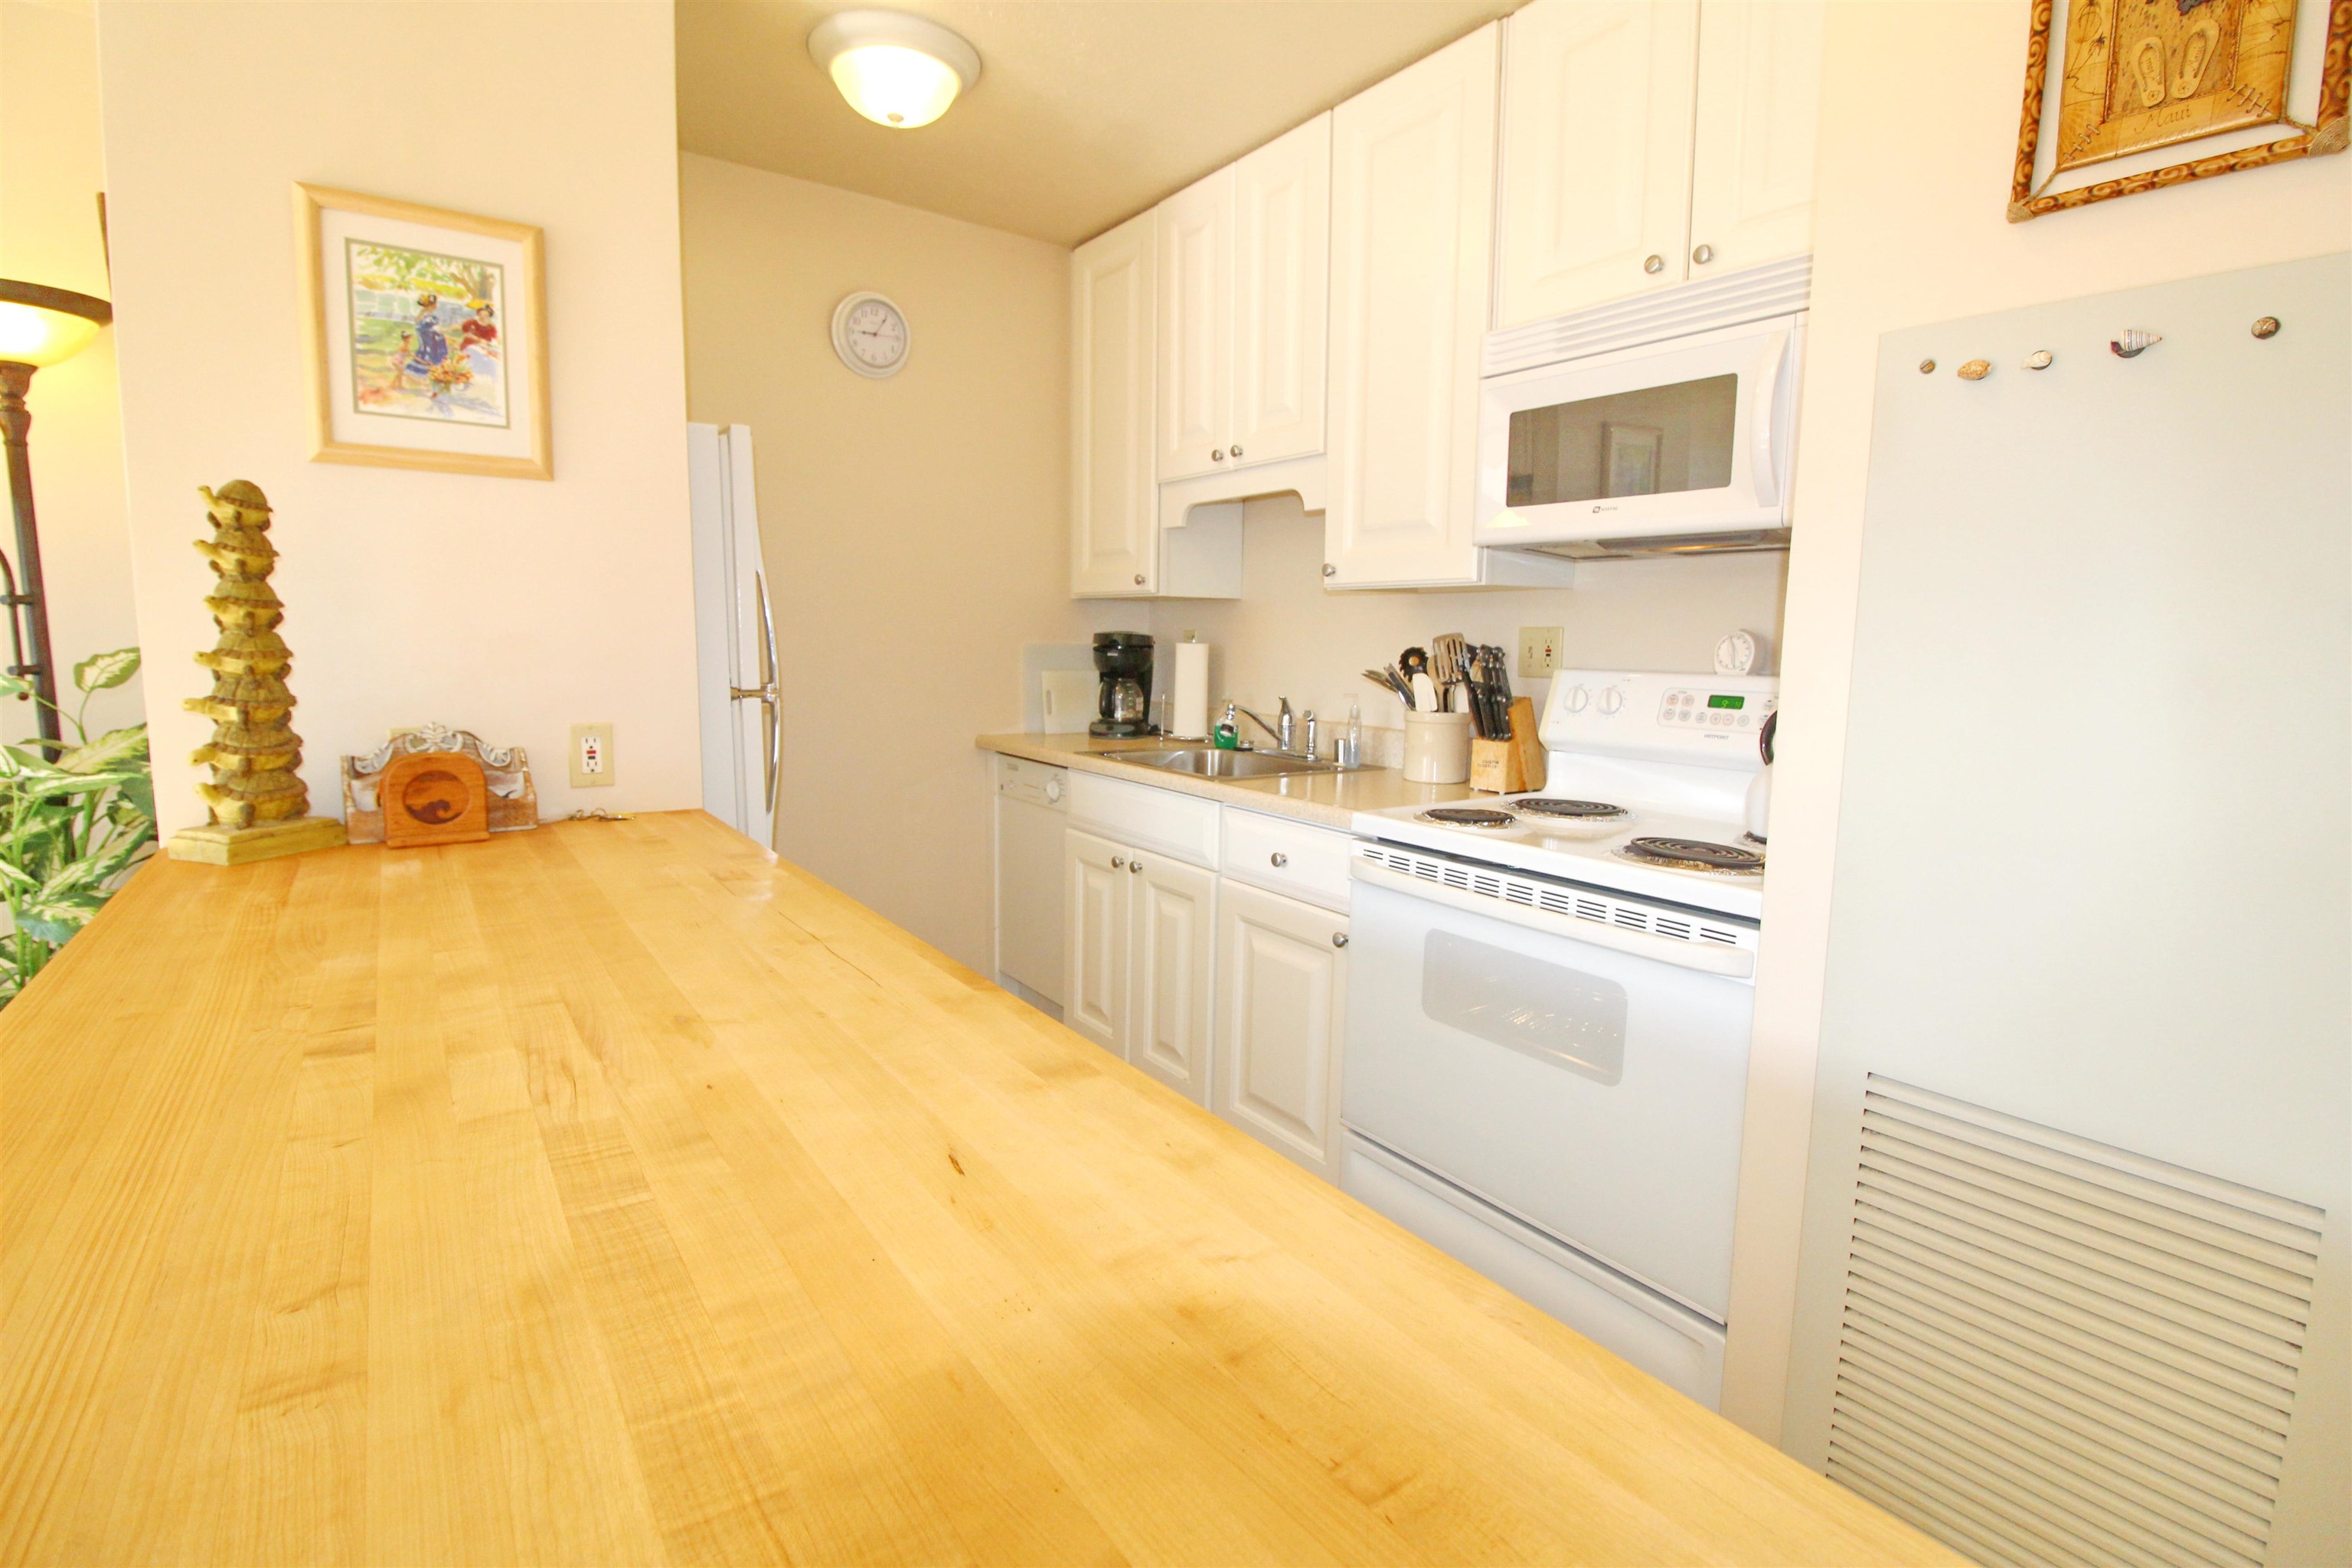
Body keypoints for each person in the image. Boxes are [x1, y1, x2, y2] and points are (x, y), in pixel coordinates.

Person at [403, 292, 449, 377]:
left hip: (426, 343)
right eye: (436, 303)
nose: (437, 305)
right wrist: (454, 328)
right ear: (433, 305)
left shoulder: (422, 316)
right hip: (431, 345)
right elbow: (438, 330)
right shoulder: (429, 318)